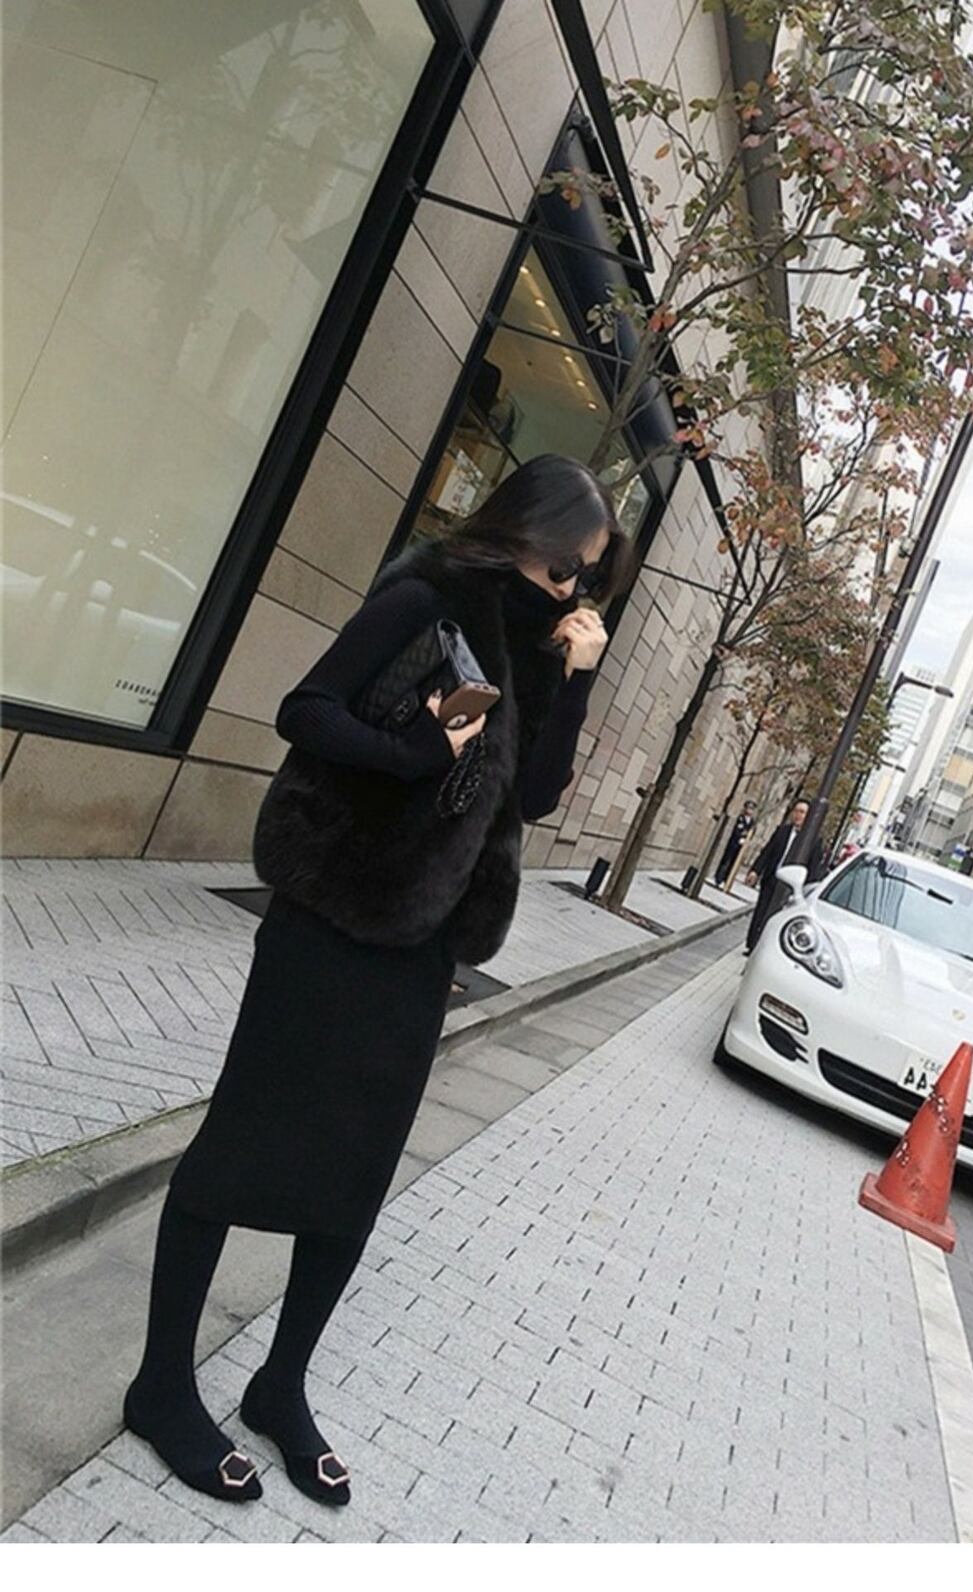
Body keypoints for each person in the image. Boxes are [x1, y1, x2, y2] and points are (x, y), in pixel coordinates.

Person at [123, 455, 630, 1507]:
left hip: (424, 946)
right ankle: (161, 1384)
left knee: (354, 1179)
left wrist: (576, 677)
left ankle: (280, 1385)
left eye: (588, 577)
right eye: (565, 569)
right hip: (329, 916)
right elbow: (304, 710)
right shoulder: (426, 594)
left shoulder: (538, 645)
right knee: (239, 1147)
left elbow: (533, 796)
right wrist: (414, 754)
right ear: (523, 537)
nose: (574, 590)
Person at [744, 799, 809, 953]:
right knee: (760, 912)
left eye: (802, 812)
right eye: (796, 811)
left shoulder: (810, 840)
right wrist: (755, 871)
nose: (798, 815)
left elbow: (812, 869)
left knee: (775, 918)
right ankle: (752, 945)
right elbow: (767, 852)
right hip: (771, 879)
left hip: (789, 888)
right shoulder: (782, 831)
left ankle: (765, 948)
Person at [714, 800, 756, 888]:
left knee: (734, 863)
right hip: (734, 844)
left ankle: (727, 880)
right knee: (727, 861)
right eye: (748, 808)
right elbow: (738, 830)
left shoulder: (752, 822)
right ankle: (719, 879)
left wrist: (747, 840)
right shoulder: (740, 818)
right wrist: (741, 837)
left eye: (752, 809)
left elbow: (752, 832)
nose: (750, 810)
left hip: (742, 847)